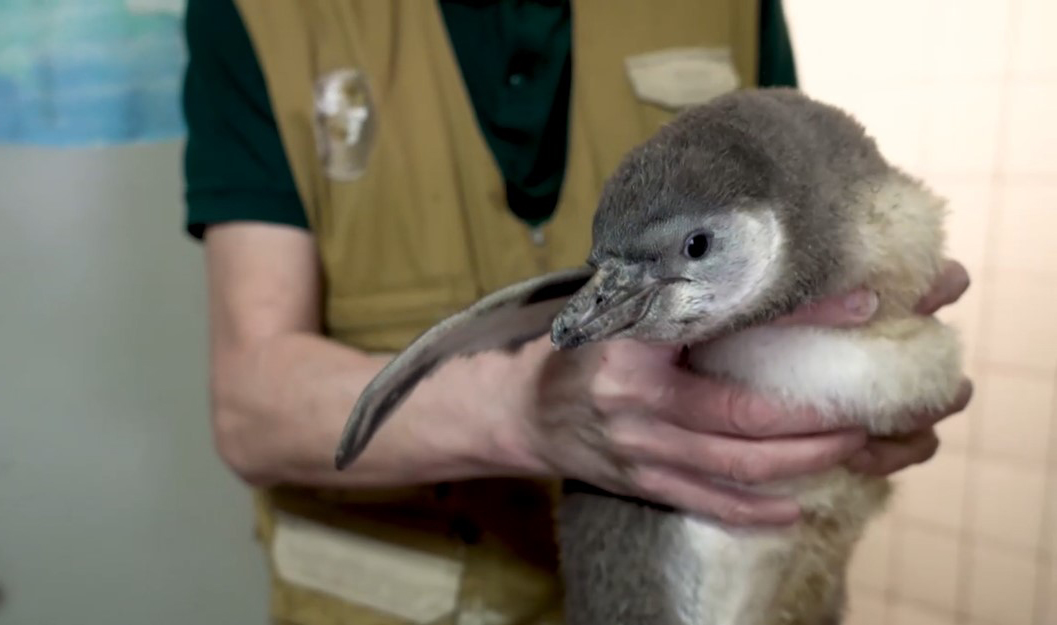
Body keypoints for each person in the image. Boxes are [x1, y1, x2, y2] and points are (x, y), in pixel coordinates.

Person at [180, 1, 973, 623]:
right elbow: (249, 406)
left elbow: (800, 202)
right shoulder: (259, 12)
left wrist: (870, 367)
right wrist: (521, 410)